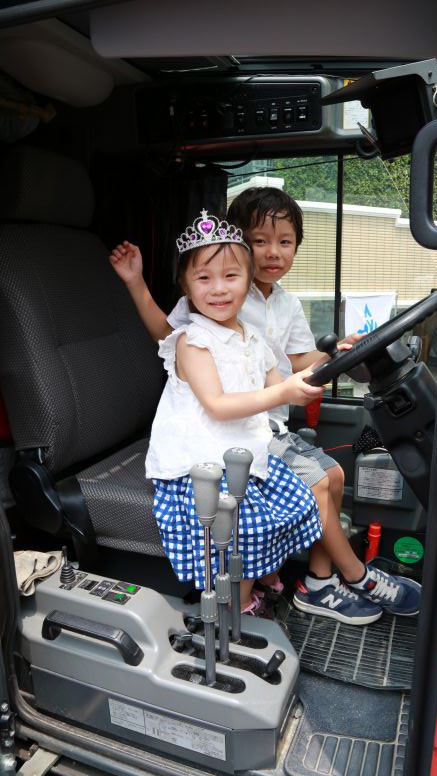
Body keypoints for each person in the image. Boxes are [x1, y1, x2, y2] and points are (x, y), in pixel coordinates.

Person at [112, 189, 421, 622]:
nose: (272, 253)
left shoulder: (273, 314)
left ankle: (316, 579)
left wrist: (337, 358)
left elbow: (290, 367)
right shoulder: (201, 326)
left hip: (260, 427)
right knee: (308, 488)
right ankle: (347, 577)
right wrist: (136, 284)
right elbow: (184, 354)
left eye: (285, 241)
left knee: (332, 474)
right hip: (221, 437)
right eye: (260, 241)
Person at [145, 210, 323, 616]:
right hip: (199, 460)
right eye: (204, 279)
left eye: (231, 276)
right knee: (245, 527)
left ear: (249, 280)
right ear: (186, 288)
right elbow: (219, 406)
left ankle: (261, 578)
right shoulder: (192, 340)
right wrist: (284, 389)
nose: (219, 289)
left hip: (241, 448)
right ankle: (238, 607)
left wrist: (319, 373)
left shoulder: (251, 335)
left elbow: (277, 383)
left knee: (299, 501)